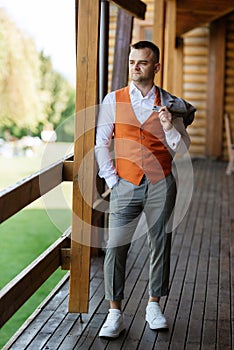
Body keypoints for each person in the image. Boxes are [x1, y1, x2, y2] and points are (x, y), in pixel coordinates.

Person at [95, 40, 195, 338]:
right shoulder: (113, 99)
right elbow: (101, 143)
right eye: (132, 62)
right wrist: (113, 180)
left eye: (142, 62)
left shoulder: (171, 103)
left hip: (161, 182)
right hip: (125, 182)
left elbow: (182, 148)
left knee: (159, 244)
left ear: (156, 67)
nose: (135, 67)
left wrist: (168, 125)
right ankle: (115, 313)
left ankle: (154, 305)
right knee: (116, 246)